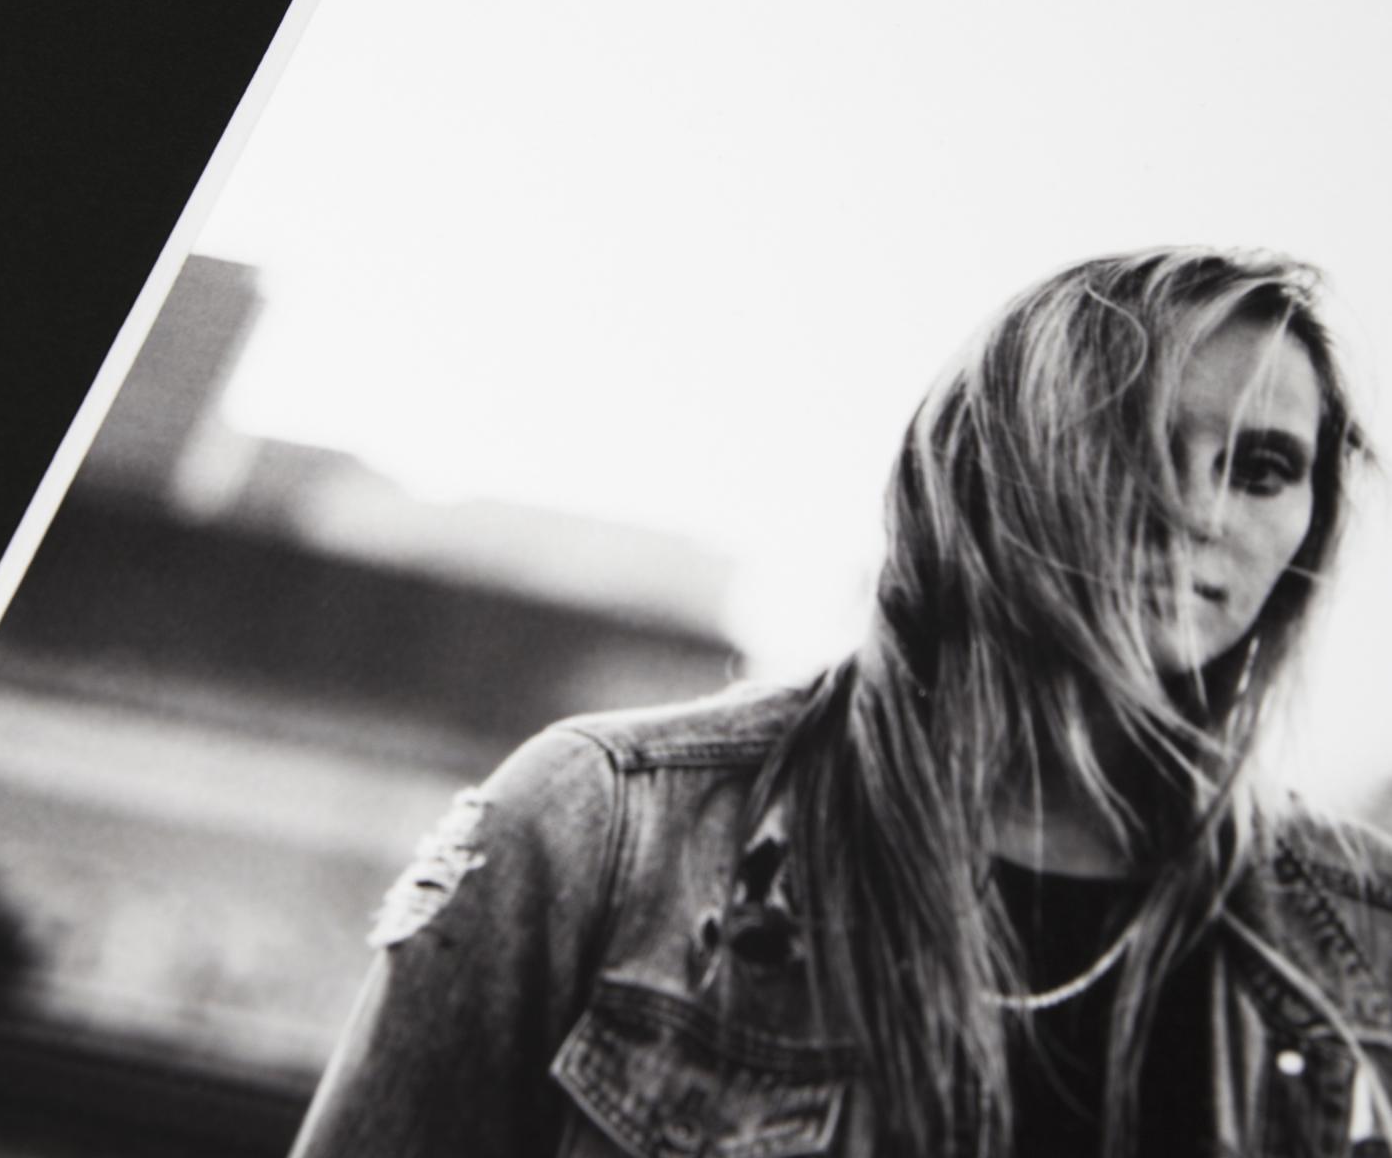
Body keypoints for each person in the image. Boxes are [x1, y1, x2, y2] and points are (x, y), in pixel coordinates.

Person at [289, 246, 1392, 1156]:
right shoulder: (604, 824)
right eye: (1130, 437)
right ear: (994, 460)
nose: (1198, 510)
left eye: (1261, 467)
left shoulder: (1360, 927)